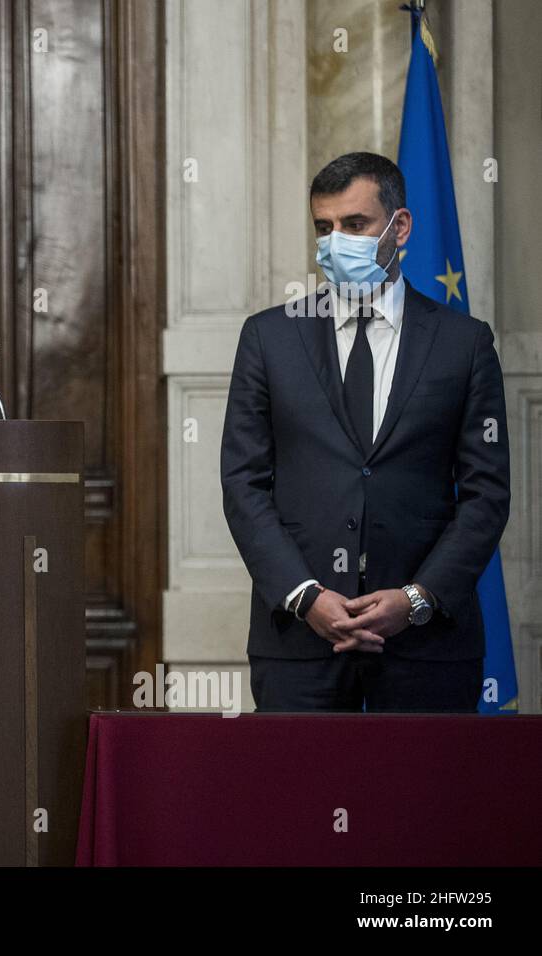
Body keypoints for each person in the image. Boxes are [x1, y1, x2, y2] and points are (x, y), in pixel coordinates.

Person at [220, 151, 509, 712]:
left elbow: (486, 496)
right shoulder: (269, 338)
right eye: (323, 228)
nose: (335, 242)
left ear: (399, 227)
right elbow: (243, 484)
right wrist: (305, 597)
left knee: (423, 801)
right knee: (298, 797)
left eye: (354, 225)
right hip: (299, 645)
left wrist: (417, 599)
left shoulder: (464, 343)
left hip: (427, 647)